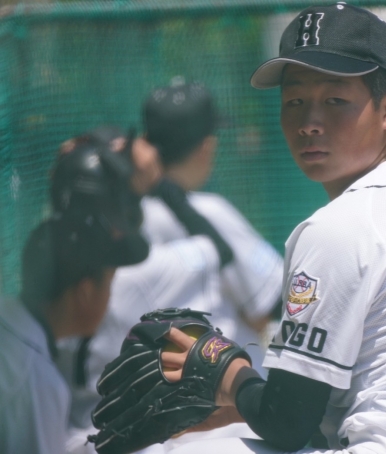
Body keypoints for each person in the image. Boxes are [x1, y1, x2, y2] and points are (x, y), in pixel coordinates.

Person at [147, 4, 386, 453]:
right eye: (295, 101)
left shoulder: (343, 225)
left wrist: (230, 374)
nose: (309, 123)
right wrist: (245, 402)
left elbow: (287, 423)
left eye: (335, 100)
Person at [55, 127, 261, 453]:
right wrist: (160, 183)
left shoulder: (48, 265)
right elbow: (219, 250)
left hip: (65, 431)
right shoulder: (146, 271)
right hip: (125, 439)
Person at [0, 132, 152, 454]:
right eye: (109, 282)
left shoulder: (10, 326)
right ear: (84, 291)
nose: (110, 294)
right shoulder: (35, 378)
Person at [141, 79, 284, 374]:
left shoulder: (127, 216)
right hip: (226, 385)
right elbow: (267, 308)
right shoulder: (209, 212)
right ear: (206, 147)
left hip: (149, 382)